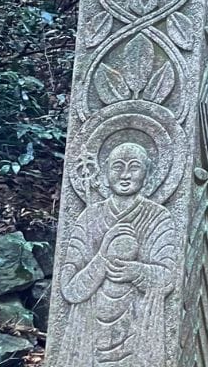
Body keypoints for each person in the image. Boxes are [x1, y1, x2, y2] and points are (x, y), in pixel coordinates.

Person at [58, 141, 176, 363]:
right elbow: (70, 290)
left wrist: (137, 271)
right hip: (88, 331)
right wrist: (101, 259)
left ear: (148, 173)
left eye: (134, 167)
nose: (125, 175)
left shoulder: (158, 217)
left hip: (139, 328)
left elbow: (168, 279)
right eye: (117, 166)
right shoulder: (88, 217)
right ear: (104, 171)